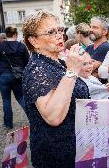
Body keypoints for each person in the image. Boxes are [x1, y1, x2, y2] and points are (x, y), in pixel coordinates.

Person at [21, 10, 90, 167]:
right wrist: (72, 71)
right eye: (51, 32)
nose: (59, 35)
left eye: (60, 30)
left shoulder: (58, 63)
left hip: (76, 147)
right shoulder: (36, 69)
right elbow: (53, 117)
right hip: (56, 155)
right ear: (34, 41)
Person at [0, 27, 29, 129]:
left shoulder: (0, 46)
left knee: (6, 100)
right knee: (21, 97)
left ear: (6, 35)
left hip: (4, 75)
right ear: (15, 34)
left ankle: (8, 124)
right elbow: (27, 62)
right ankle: (33, 118)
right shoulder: (21, 46)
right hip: (18, 76)